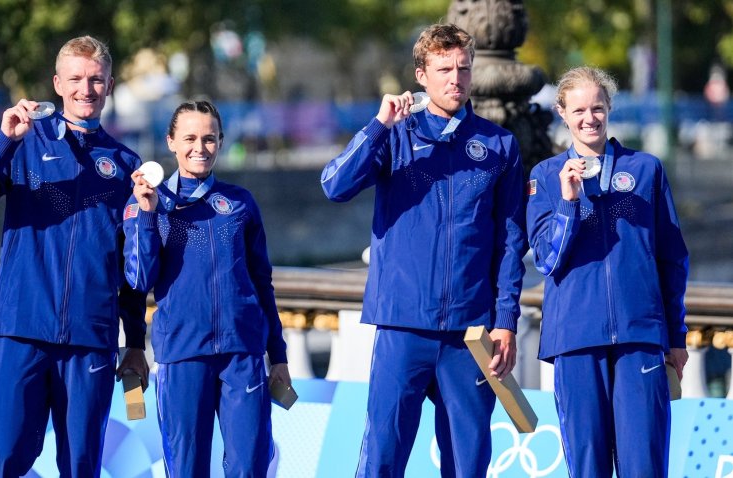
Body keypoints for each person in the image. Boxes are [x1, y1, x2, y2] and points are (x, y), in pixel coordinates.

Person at [320, 24, 527, 476]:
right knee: (382, 460)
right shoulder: (395, 134)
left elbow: (512, 242)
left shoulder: (499, 145)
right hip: (402, 324)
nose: (456, 78)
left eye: (464, 68)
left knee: (468, 464)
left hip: (470, 333)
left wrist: (506, 319)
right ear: (421, 75)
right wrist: (378, 126)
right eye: (444, 69)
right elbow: (334, 185)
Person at [0, 35, 149, 477]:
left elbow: (131, 267)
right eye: (75, 78)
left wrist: (134, 342)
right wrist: (1, 141)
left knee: (80, 466)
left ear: (110, 85)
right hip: (21, 330)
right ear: (57, 83)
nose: (86, 89)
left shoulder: (126, 165)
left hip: (89, 340)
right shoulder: (22, 140)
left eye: (96, 79)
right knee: (1, 459)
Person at [526, 66, 689, 476]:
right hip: (576, 341)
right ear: (562, 113)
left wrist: (676, 335)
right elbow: (547, 260)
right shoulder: (545, 177)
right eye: (578, 109)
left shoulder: (645, 170)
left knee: (644, 466)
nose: (589, 118)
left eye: (597, 108)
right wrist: (568, 201)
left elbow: (672, 259)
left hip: (640, 337)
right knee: (587, 467)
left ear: (609, 108)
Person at [122, 100, 291, 477]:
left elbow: (263, 283)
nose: (200, 147)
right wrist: (147, 215)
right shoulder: (150, 203)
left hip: (241, 355)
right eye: (190, 138)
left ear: (221, 142)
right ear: (170, 142)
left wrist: (277, 355)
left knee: (249, 469)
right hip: (183, 354)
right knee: (186, 470)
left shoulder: (240, 203)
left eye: (210, 138)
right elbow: (139, 280)